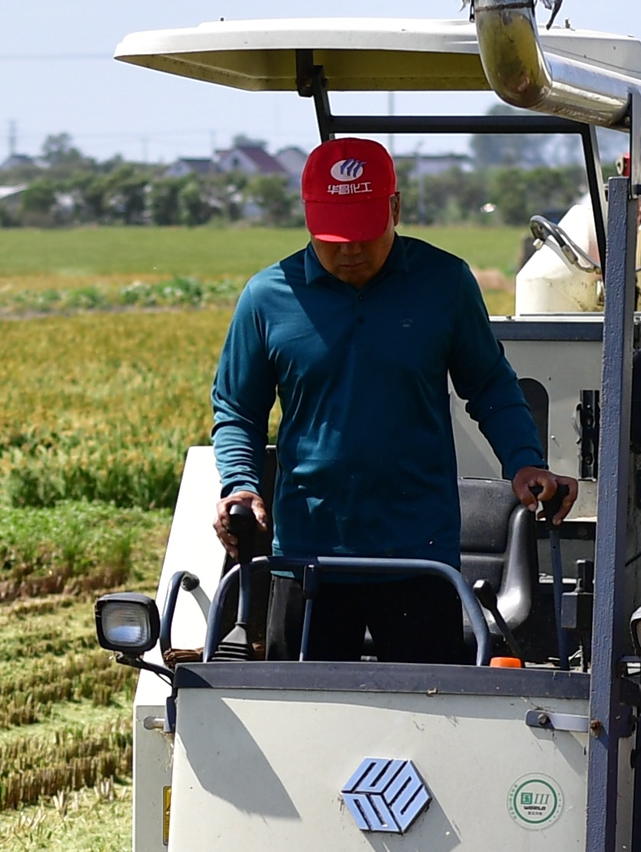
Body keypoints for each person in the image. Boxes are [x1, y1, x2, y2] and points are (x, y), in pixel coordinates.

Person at [208, 138, 574, 661]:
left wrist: (523, 460)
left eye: (364, 232)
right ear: (308, 216)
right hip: (311, 553)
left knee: (430, 713)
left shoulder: (443, 283)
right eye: (334, 236)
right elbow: (238, 412)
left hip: (419, 555)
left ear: (395, 209)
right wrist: (241, 486)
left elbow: (490, 384)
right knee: (306, 716)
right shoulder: (267, 298)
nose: (350, 250)